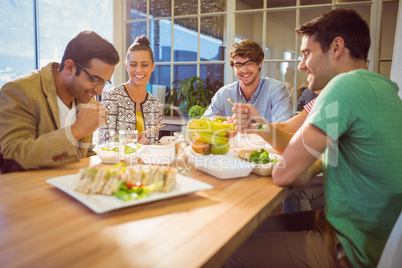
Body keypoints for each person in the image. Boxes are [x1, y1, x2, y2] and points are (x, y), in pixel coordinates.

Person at [224, 8, 402, 267]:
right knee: (246, 233)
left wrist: (283, 156)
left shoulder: (343, 87)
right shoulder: (381, 90)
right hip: (364, 235)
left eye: (307, 53)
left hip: (349, 249)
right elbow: (303, 169)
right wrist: (260, 128)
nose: (300, 64)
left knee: (223, 256)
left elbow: (284, 175)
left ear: (336, 47)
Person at [0, 30, 120, 174]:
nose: (99, 91)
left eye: (105, 83)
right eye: (95, 80)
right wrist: (76, 130)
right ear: (70, 67)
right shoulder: (20, 91)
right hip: (30, 192)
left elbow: (84, 155)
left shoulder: (85, 97)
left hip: (71, 189)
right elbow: (10, 157)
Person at [203, 39, 292, 123]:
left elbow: (283, 129)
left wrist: (256, 124)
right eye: (238, 65)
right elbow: (203, 125)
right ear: (233, 67)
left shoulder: (277, 91)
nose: (244, 70)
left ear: (259, 63)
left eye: (249, 64)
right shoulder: (224, 94)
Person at [98, 36, 162, 145]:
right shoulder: (111, 97)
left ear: (152, 67)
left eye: (145, 65)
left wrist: (147, 143)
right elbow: (104, 143)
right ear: (126, 66)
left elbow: (154, 144)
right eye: (133, 65)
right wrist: (128, 142)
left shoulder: (155, 104)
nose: (139, 70)